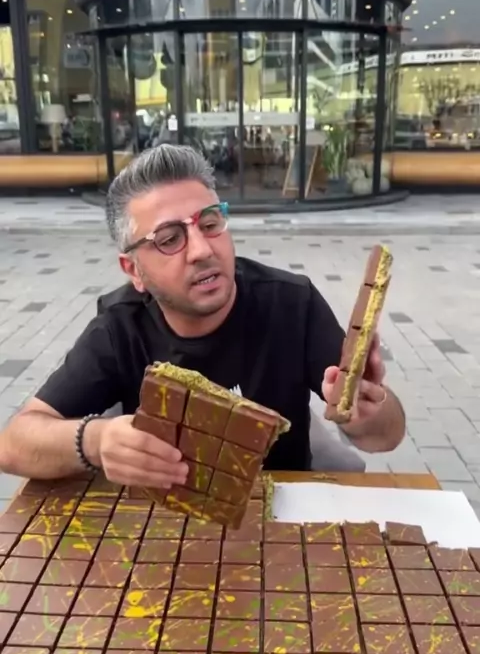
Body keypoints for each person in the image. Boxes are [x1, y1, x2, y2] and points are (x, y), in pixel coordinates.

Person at [0, 144, 405, 491]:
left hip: (279, 514)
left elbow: (386, 437)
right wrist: (96, 440)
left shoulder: (291, 303)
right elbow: (13, 444)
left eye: (210, 224)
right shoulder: (120, 328)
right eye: (169, 239)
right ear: (133, 270)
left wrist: (368, 411)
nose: (202, 250)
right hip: (169, 521)